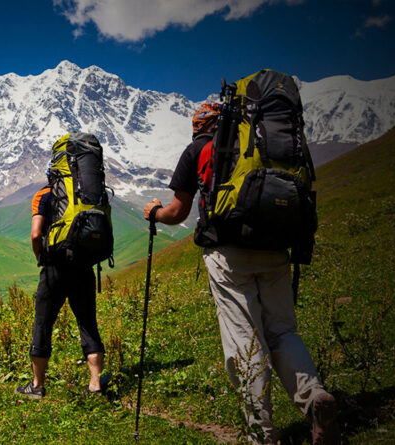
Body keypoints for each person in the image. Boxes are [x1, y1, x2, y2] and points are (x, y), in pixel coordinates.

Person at [142, 103, 339, 444]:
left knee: (245, 340)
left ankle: (262, 433)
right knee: (283, 332)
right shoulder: (263, 146)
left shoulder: (200, 148)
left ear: (198, 126)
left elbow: (178, 211)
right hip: (276, 249)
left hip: (229, 254)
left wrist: (155, 213)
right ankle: (314, 397)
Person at [15, 182, 106, 399]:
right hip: (83, 266)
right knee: (88, 324)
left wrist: (41, 258)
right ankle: (95, 384)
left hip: (54, 267)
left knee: (43, 324)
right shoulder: (86, 194)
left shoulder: (44, 195)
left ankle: (37, 386)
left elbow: (36, 235)